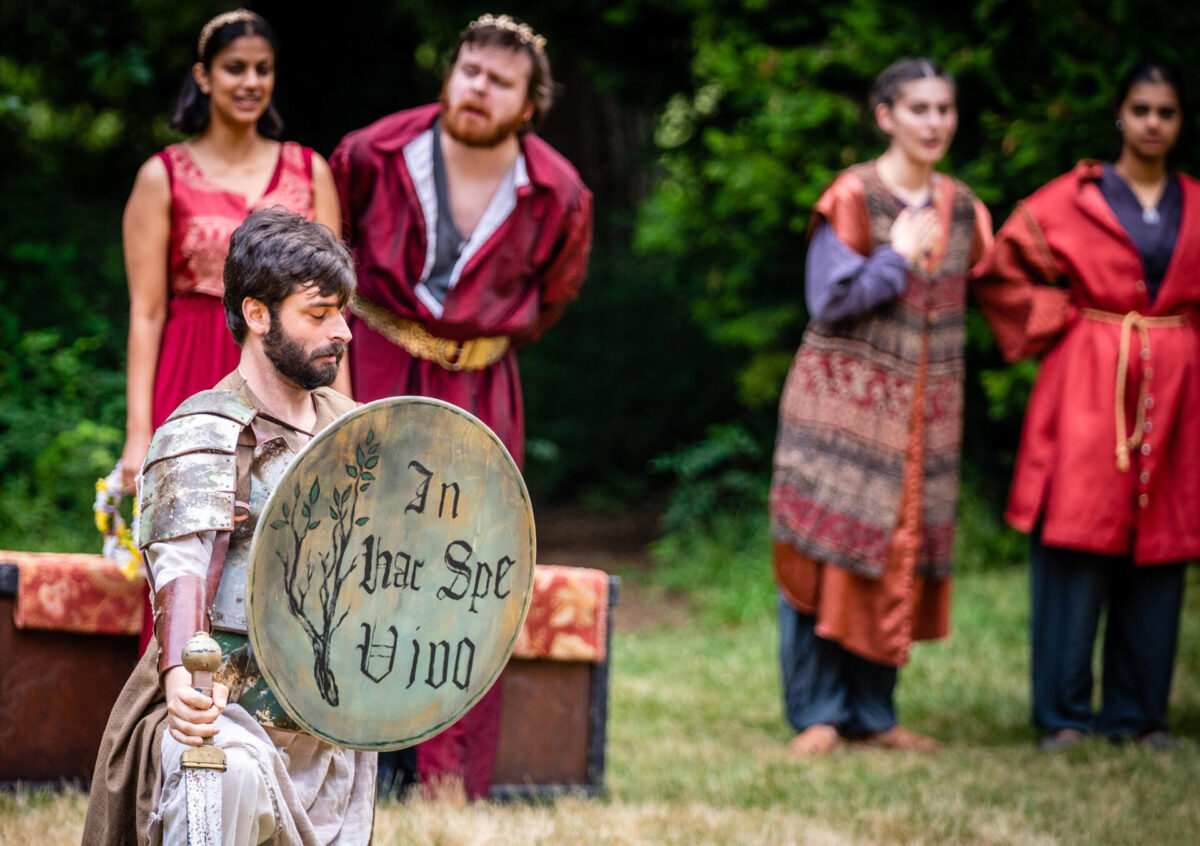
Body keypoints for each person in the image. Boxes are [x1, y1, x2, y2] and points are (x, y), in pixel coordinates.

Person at [329, 13, 593, 798]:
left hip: (478, 380)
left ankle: (445, 776)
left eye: (499, 81)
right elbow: (327, 246)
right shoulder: (371, 153)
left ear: (528, 104)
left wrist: (474, 341)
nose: (478, 88)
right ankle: (343, 758)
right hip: (371, 358)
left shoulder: (558, 191)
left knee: (464, 566)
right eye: (469, 70)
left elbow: (553, 297)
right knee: (352, 551)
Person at [83, 209, 375, 845]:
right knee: (222, 774)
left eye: (343, 313)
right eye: (319, 314)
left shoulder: (359, 434)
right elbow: (180, 585)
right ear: (258, 314)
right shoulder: (202, 433)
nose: (343, 332)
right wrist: (185, 686)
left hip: (330, 726)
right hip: (227, 714)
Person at [972, 60, 1199, 749]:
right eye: (1141, 110)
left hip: (1177, 395)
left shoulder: (1196, 201)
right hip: (1088, 385)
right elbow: (1000, 269)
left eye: (1166, 111)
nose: (1153, 123)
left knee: (1159, 547)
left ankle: (1137, 714)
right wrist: (1067, 321)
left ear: (1180, 121)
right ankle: (1064, 714)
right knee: (1076, 537)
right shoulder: (1074, 198)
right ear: (1119, 117)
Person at [769, 58, 993, 757]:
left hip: (926, 417)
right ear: (884, 115)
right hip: (839, 411)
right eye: (918, 108)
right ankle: (817, 714)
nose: (934, 123)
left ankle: (874, 712)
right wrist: (895, 255)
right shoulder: (853, 197)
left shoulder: (965, 209)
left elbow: (1006, 286)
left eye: (944, 109)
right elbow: (829, 299)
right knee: (826, 550)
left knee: (897, 554)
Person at [120, 8, 340, 655]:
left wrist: (341, 413)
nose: (250, 81)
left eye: (262, 69)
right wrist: (139, 436)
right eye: (234, 68)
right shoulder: (162, 176)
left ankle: (281, 716)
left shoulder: (310, 170)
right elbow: (146, 311)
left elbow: (331, 306)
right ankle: (174, 711)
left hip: (289, 370)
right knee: (188, 538)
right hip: (191, 361)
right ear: (204, 77)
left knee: (291, 533)